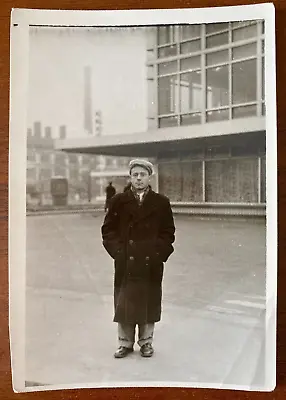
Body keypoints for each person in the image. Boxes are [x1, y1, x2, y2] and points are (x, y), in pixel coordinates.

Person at [101, 159, 175, 359]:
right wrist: (118, 252)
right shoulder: (118, 201)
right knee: (125, 302)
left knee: (148, 302)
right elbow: (108, 231)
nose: (139, 178)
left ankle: (146, 342)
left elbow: (168, 233)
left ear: (149, 177)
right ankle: (124, 343)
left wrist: (159, 253)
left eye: (143, 175)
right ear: (130, 177)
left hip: (151, 262)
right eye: (135, 175)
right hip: (126, 261)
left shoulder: (161, 202)